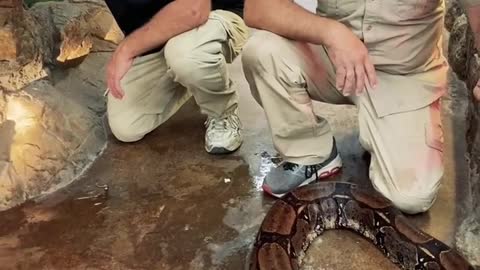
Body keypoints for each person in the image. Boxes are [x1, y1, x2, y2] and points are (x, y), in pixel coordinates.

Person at [241, 0, 480, 214]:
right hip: (334, 57)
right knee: (262, 51)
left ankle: (391, 129)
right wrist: (333, 33)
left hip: (403, 74)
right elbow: (259, 8)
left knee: (411, 197)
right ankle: (311, 153)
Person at [104, 0, 248, 154]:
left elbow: (194, 10)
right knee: (126, 126)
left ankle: (222, 113)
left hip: (212, 16)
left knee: (186, 55)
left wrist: (126, 50)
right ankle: (191, 78)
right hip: (153, 38)